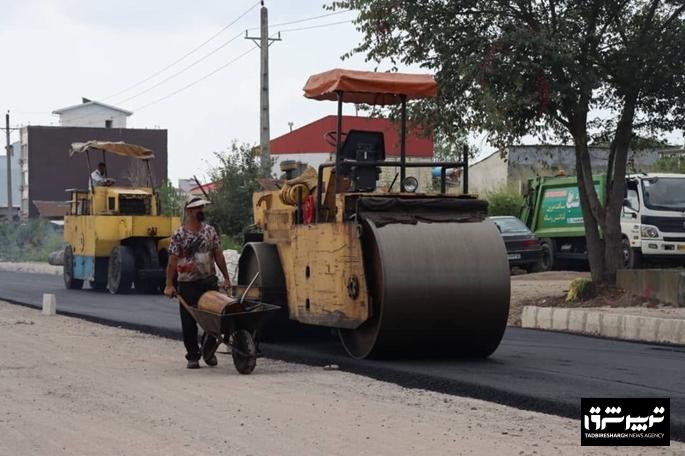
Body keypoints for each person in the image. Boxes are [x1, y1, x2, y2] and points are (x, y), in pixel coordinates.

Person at [164, 195, 232, 369]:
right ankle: (193, 356)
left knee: (214, 319)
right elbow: (172, 261)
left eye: (202, 207)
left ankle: (209, 349)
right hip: (187, 284)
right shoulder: (179, 235)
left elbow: (218, 255)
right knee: (189, 322)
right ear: (189, 210)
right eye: (197, 208)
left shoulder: (210, 231)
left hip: (208, 282)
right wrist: (169, 285)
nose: (201, 210)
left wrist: (225, 277)